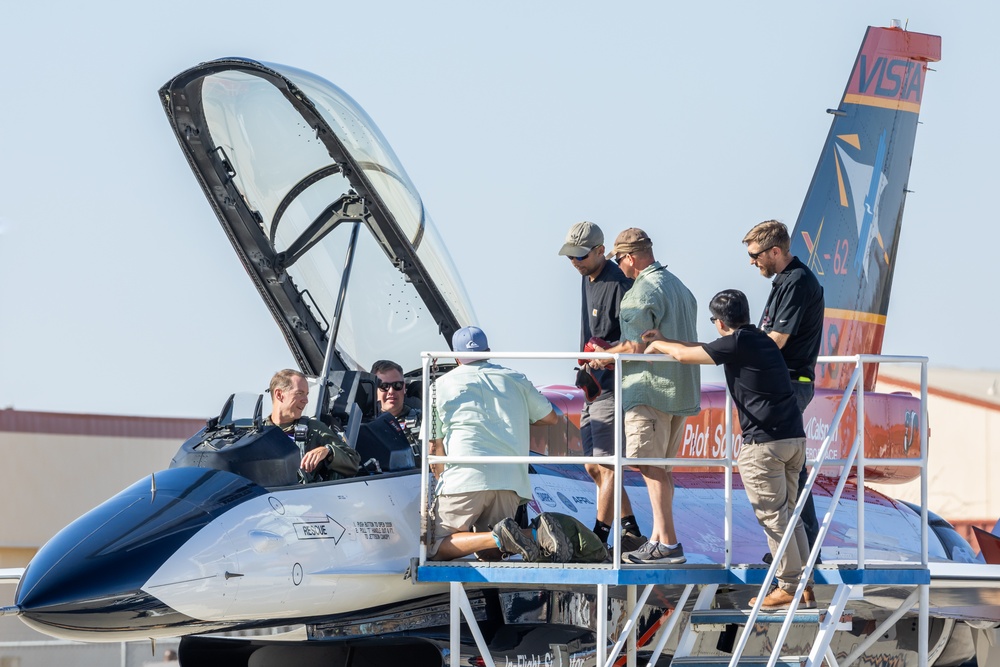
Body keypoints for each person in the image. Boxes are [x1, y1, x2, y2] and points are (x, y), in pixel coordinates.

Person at [643, 289, 814, 610]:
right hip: (794, 440)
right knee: (791, 517)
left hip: (765, 446)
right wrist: (670, 339)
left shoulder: (737, 343)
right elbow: (705, 350)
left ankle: (788, 585)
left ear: (719, 322)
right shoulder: (758, 340)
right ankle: (804, 586)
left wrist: (658, 344)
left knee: (774, 518)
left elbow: (685, 357)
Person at [599, 228, 701, 564]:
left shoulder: (640, 292)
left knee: (648, 463)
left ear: (630, 257)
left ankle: (668, 544)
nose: (619, 266)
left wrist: (603, 356)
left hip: (649, 389)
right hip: (680, 389)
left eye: (619, 259)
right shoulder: (679, 287)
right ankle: (659, 538)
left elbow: (635, 346)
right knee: (661, 469)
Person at [427, 326, 559, 561]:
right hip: (510, 481)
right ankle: (531, 533)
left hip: (465, 477)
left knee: (433, 546)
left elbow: (435, 448)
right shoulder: (515, 378)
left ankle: (507, 535)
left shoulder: (440, 386)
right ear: (488, 351)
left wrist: (442, 481)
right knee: (490, 554)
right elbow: (550, 417)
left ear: (456, 356)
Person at [557, 221, 645, 551]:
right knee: (593, 466)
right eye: (569, 256)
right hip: (592, 385)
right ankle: (631, 529)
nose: (574, 262)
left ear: (600, 251)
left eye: (580, 256)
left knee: (607, 465)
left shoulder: (620, 284)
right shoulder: (586, 278)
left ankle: (599, 538)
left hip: (614, 385)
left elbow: (634, 339)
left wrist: (607, 354)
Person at [743, 220, 825, 555]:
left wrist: (736, 351)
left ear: (775, 251)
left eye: (755, 255)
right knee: (789, 468)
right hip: (784, 383)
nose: (752, 262)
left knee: (783, 467)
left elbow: (776, 340)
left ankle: (801, 549)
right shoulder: (784, 280)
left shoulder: (797, 282)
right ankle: (799, 547)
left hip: (791, 383)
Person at [265, 369, 361, 482]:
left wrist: (328, 451)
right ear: (279, 395)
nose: (306, 401)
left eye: (306, 394)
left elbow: (353, 461)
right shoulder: (256, 434)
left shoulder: (314, 430)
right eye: (299, 393)